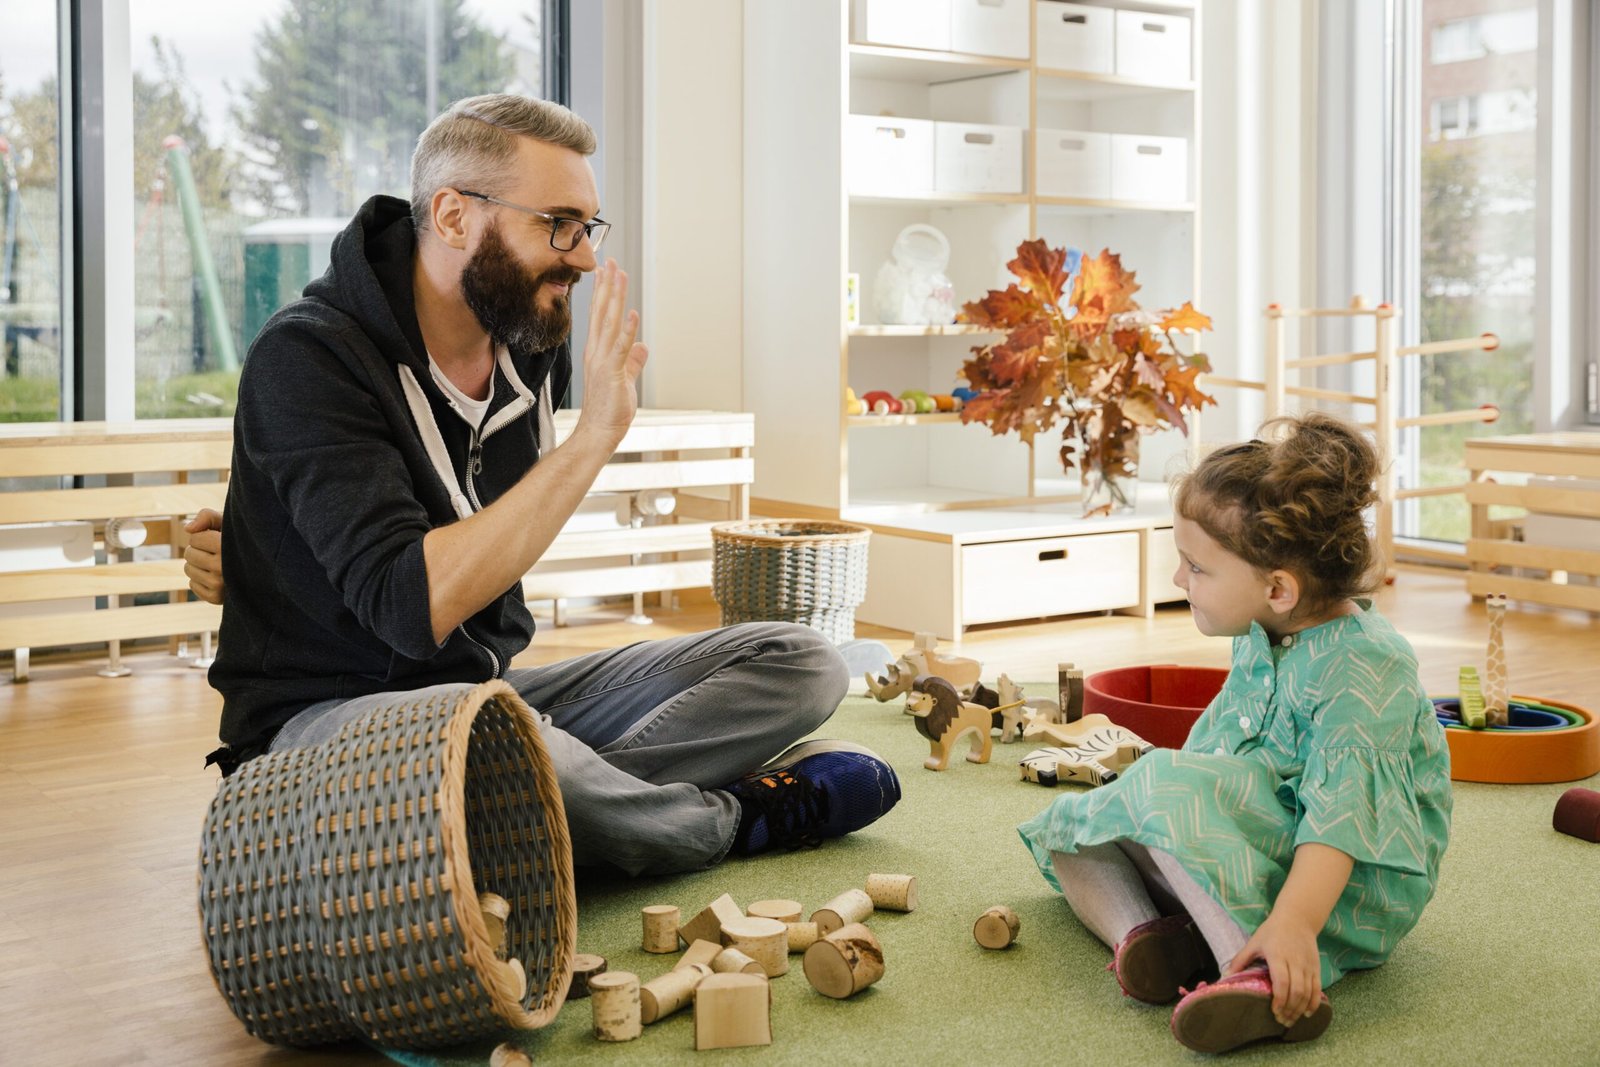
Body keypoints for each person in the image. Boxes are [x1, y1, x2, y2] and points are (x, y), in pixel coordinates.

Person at [191, 93, 899, 877]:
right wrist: (596, 435)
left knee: (801, 658)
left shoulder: (523, 342)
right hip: (322, 723)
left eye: (588, 228)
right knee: (504, 742)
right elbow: (409, 603)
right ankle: (726, 819)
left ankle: (540, 809)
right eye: (558, 225)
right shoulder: (308, 357)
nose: (585, 258)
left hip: (487, 691)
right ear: (455, 217)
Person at [1017, 413, 1451, 1054]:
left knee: (1159, 787)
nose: (1177, 581)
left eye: (1195, 567)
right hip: (1260, 837)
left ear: (1278, 588)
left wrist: (1297, 922)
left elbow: (1343, 818)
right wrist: (1148, 812)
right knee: (1075, 829)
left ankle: (1257, 973)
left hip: (1344, 885)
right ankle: (1143, 936)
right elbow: (1217, 752)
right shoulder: (1264, 632)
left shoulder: (1366, 666)